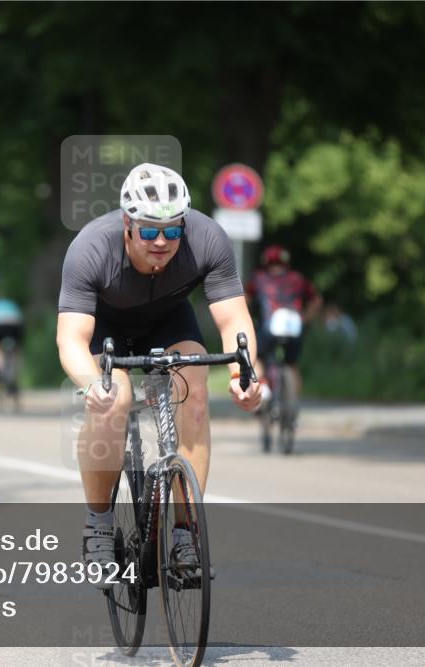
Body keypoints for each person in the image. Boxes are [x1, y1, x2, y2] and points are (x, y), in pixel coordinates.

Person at [56, 163, 261, 585]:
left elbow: (234, 320)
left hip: (169, 320)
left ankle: (185, 536)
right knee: (114, 400)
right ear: (127, 224)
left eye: (172, 229)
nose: (162, 241)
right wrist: (92, 384)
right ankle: (97, 524)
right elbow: (72, 339)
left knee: (197, 391)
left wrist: (245, 372)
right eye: (149, 231)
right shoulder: (90, 248)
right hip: (107, 327)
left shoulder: (208, 239)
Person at [245, 244, 322, 402]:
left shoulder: (259, 278)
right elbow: (316, 300)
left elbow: (246, 298)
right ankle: (293, 408)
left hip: (270, 324)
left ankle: (263, 385)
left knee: (256, 355)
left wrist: (248, 316)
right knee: (291, 363)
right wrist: (305, 319)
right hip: (295, 325)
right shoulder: (297, 278)